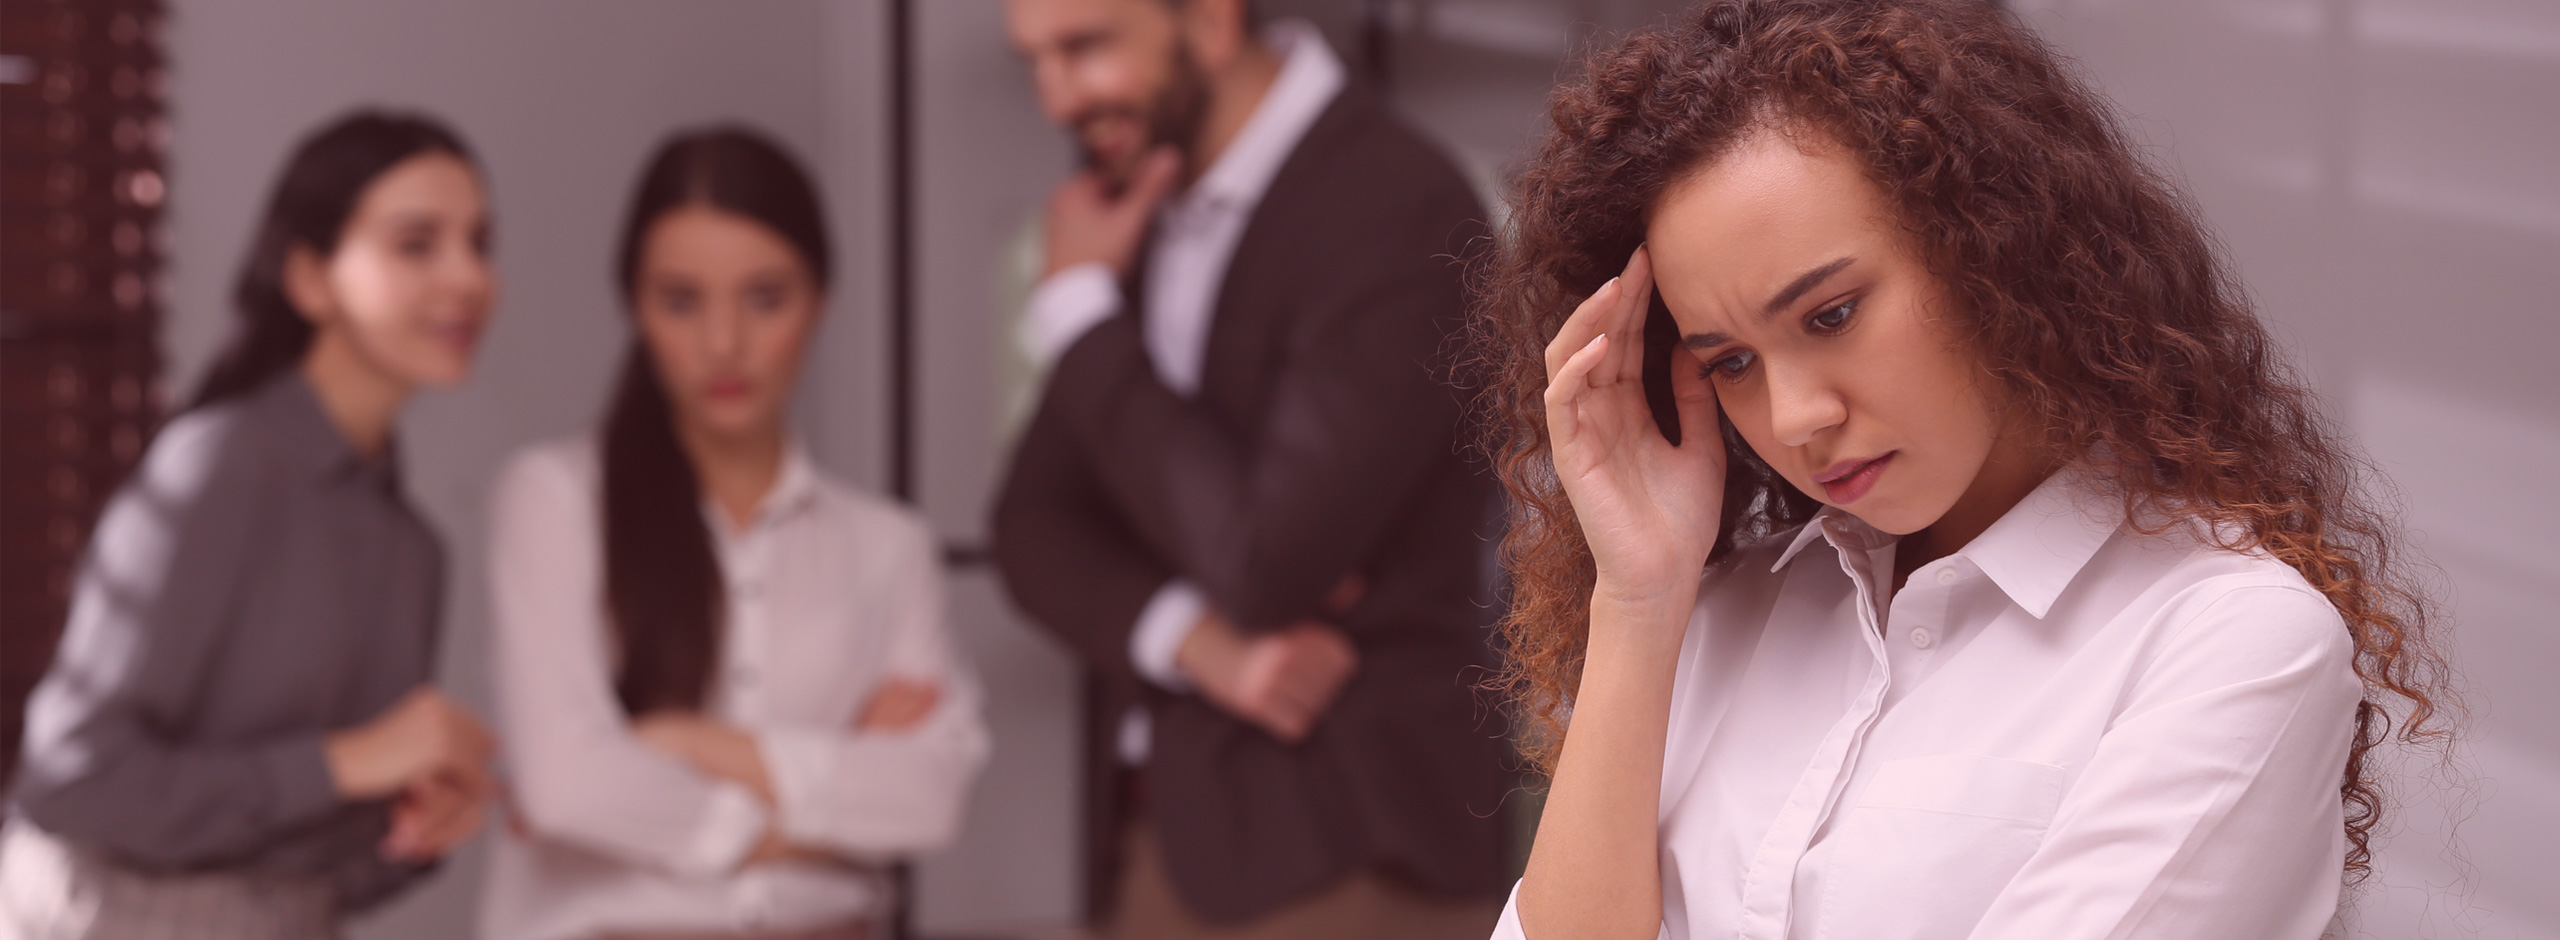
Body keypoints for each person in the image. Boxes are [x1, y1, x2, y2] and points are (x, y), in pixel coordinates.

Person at [1474, 2, 2457, 938]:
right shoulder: (1715, 620)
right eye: (1731, 361)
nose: (1795, 416)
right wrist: (1640, 602)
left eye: (1830, 315)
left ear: (1992, 249)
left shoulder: (2228, 643)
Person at [993, 1, 1512, 937]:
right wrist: (1196, 641)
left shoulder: (1401, 204)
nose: (1056, 98)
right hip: (1173, 837)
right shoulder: (1141, 208)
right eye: (1035, 60)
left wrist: (1076, 310)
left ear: (1212, 20)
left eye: (1086, 46)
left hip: (1355, 842)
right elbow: (1031, 528)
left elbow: (1266, 562)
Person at [479, 127, 988, 940]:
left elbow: (930, 800)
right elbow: (566, 786)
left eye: (765, 298)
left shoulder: (888, 546)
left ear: (820, 301)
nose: (723, 343)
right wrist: (817, 814)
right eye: (681, 301)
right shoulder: (553, 501)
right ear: (635, 307)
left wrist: (681, 744)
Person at [0, 111, 499, 939]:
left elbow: (316, 877)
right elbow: (73, 783)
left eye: (480, 242)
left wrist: (414, 830)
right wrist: (349, 761)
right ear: (309, 278)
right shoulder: (219, 467)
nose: (469, 277)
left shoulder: (415, 550)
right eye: (418, 244)